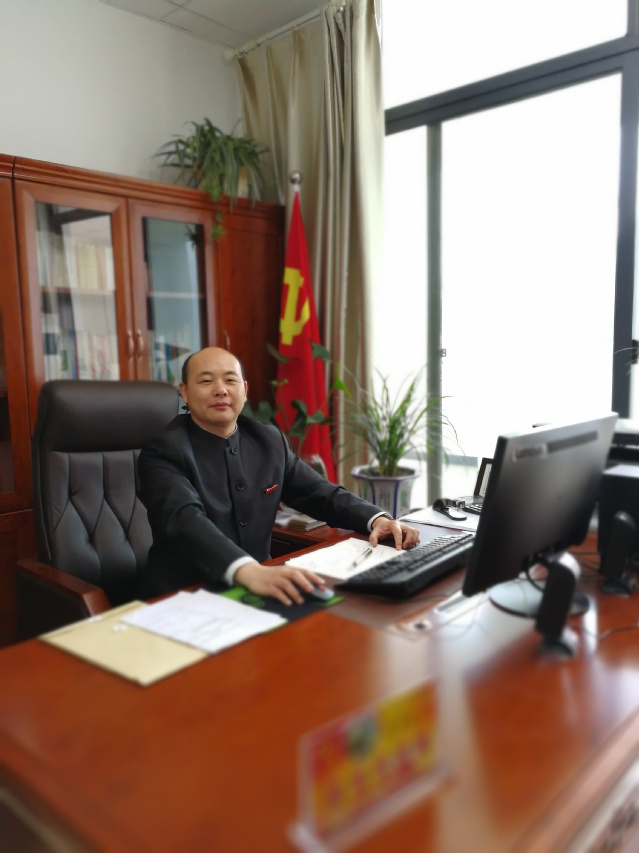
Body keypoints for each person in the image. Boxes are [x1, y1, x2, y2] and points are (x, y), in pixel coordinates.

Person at [138, 346, 419, 605]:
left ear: (244, 390)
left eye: (230, 380)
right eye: (206, 381)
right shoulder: (164, 450)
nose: (220, 390)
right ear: (184, 392)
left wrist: (377, 519)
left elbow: (319, 493)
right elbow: (185, 521)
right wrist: (248, 571)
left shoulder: (267, 440)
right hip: (187, 595)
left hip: (262, 586)